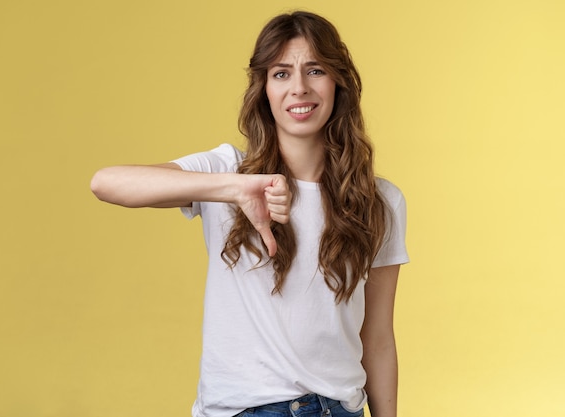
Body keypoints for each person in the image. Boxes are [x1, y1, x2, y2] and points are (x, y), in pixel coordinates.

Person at [91, 10, 408, 417]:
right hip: (245, 410)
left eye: (315, 70)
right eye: (281, 73)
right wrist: (235, 187)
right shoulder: (227, 170)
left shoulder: (379, 200)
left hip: (337, 409)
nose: (299, 88)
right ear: (263, 89)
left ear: (338, 82)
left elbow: (378, 338)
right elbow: (107, 183)